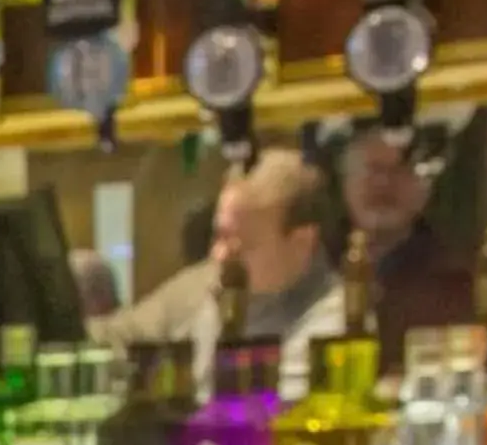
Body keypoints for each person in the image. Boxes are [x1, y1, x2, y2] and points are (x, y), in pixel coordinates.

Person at [99, 147, 344, 398]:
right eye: (219, 236)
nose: (220, 255)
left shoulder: (333, 324)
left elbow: (271, 416)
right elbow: (118, 339)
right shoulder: (206, 283)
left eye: (242, 244)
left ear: (302, 243)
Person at [338, 125, 474, 360]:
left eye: (399, 170)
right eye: (373, 169)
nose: (383, 184)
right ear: (346, 182)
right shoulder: (311, 265)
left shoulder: (455, 282)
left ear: (426, 189)